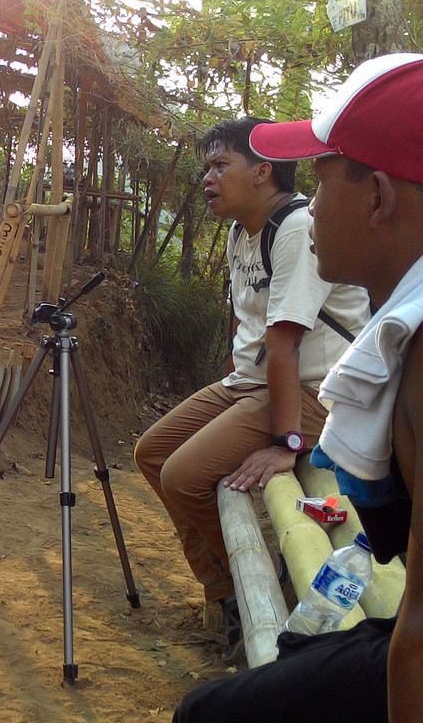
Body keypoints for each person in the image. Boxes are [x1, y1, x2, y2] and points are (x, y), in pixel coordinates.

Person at [174, 52, 423, 722]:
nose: (308, 206)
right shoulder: (399, 331)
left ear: (378, 198)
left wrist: (288, 440)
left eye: (320, 181)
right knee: (285, 660)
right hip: (396, 623)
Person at [133, 116, 371, 662]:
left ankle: (262, 590)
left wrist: (287, 444)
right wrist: (229, 389)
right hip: (251, 384)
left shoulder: (297, 229)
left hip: (312, 391)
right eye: (206, 167)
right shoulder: (243, 233)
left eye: (221, 165)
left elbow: (284, 343)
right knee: (152, 453)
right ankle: (223, 590)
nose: (208, 178)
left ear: (263, 171)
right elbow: (249, 327)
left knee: (183, 475)